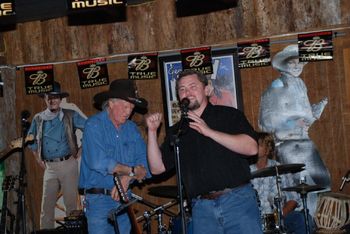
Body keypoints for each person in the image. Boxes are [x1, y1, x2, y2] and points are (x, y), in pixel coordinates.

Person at [146, 70, 262, 234]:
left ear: (207, 90)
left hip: (237, 201)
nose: (187, 92)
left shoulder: (228, 115)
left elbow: (252, 148)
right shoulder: (178, 130)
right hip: (202, 208)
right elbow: (157, 168)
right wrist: (151, 132)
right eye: (182, 89)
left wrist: (210, 132)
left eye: (193, 86)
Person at [79, 79, 149, 234]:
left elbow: (145, 165)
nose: (128, 111)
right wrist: (131, 171)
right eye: (125, 106)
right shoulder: (94, 125)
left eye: (131, 107)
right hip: (98, 201)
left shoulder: (132, 129)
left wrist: (127, 178)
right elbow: (98, 162)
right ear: (111, 103)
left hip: (125, 199)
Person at [27, 81, 86, 229]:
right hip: (50, 168)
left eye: (55, 97)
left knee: (71, 207)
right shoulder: (38, 118)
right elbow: (30, 139)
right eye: (49, 97)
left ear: (60, 99)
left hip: (68, 164)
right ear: (45, 99)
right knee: (46, 208)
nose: (52, 100)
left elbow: (90, 128)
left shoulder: (70, 115)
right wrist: (37, 158)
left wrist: (82, 149)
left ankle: (73, 232)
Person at [250, 132, 315, 234]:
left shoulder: (281, 170)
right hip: (254, 220)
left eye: (259, 144)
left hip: (280, 217)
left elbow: (293, 199)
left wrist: (279, 216)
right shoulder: (246, 171)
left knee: (302, 219)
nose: (254, 146)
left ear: (268, 149)